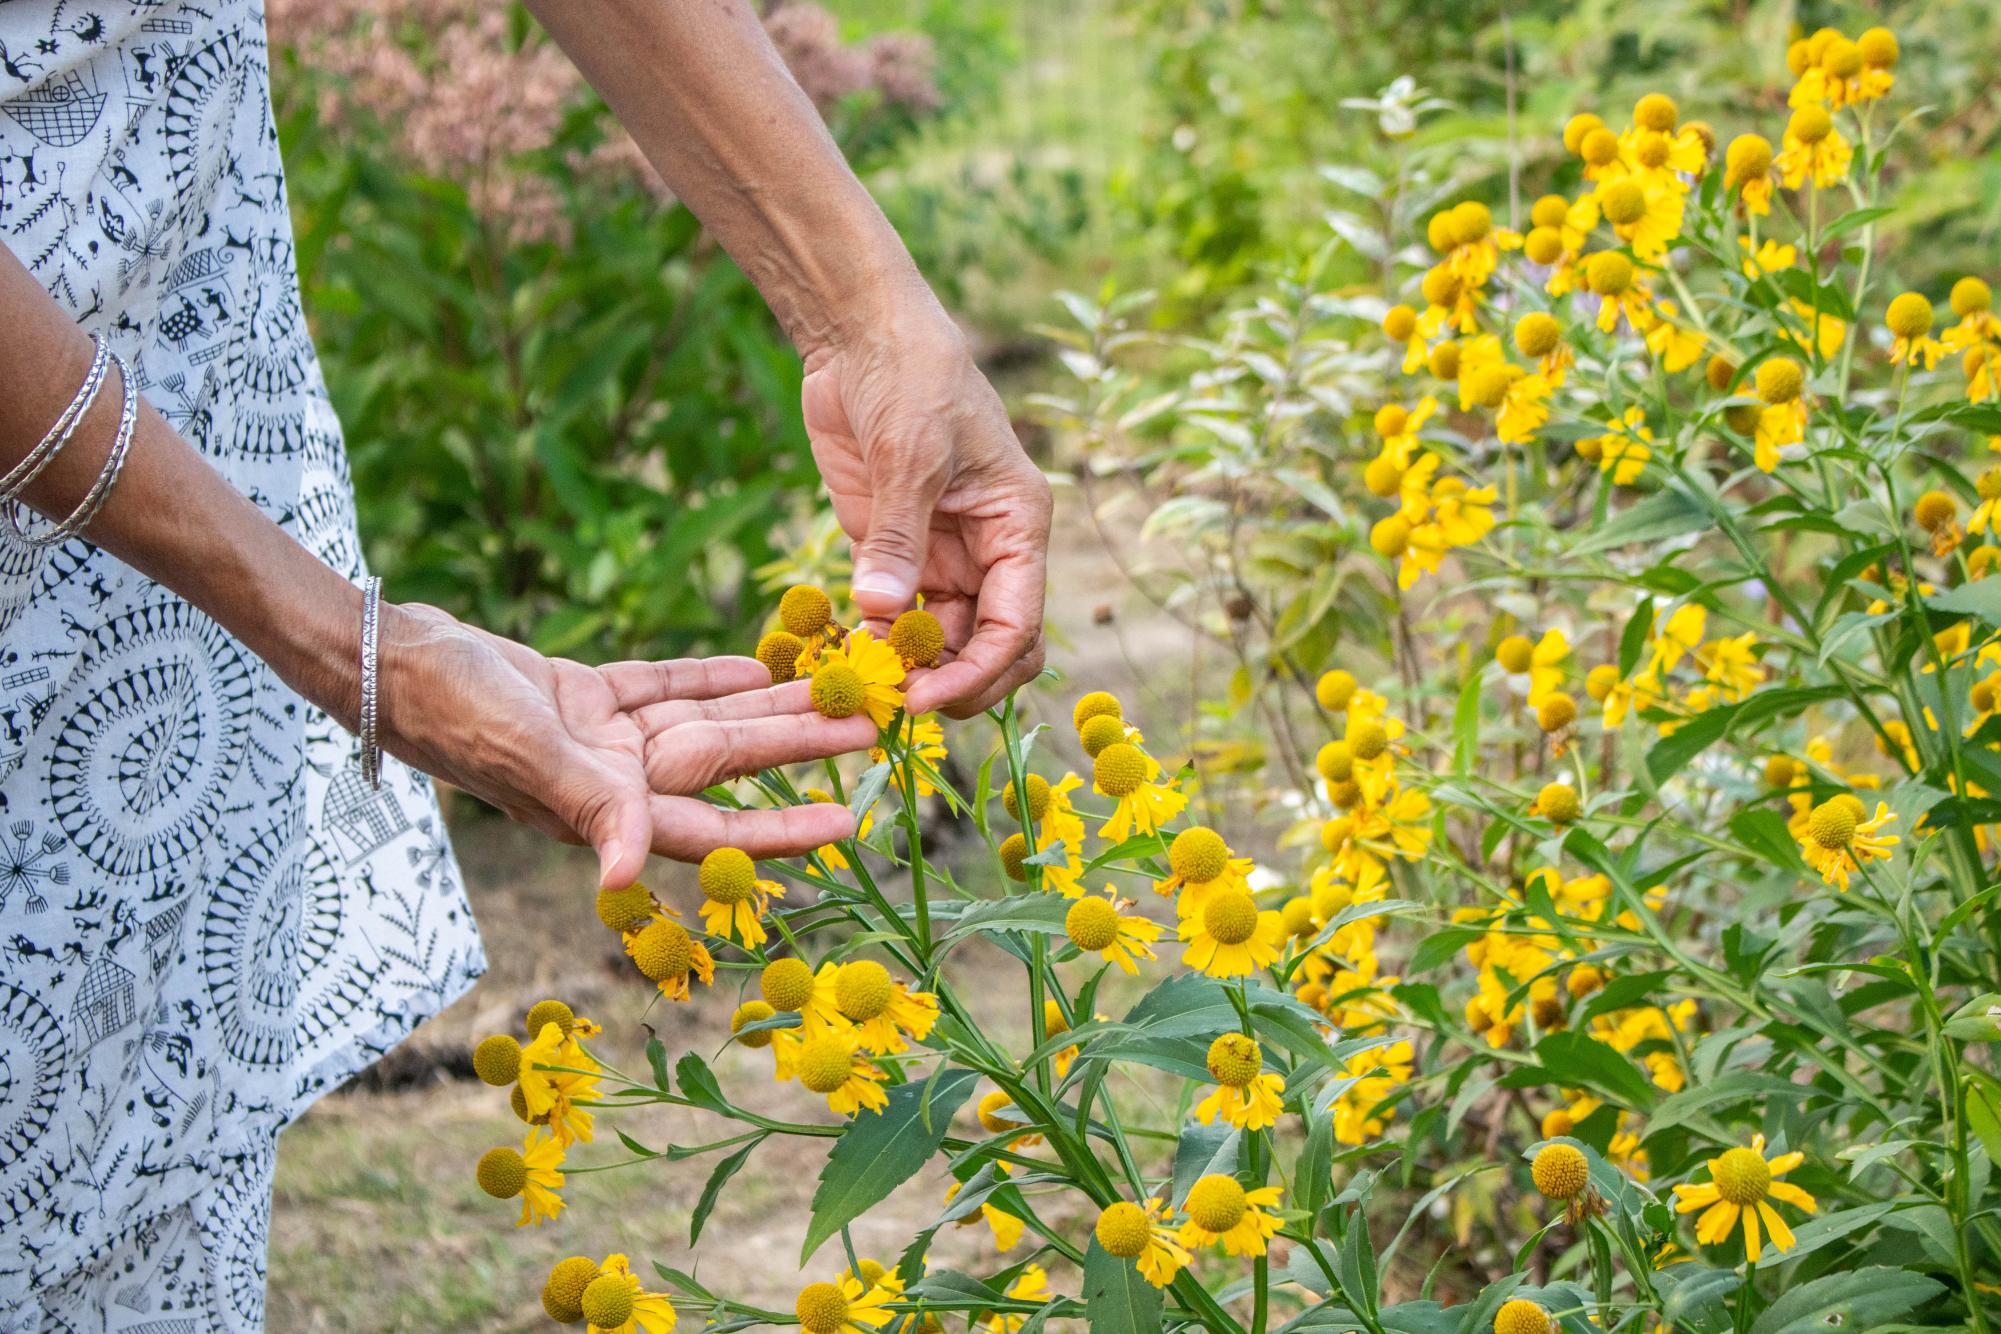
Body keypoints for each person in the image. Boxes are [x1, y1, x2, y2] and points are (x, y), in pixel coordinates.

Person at [0, 0, 1050, 1325]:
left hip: (171, 530)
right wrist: (334, 638)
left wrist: (870, 317)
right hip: (123, 513)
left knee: (139, 1159)